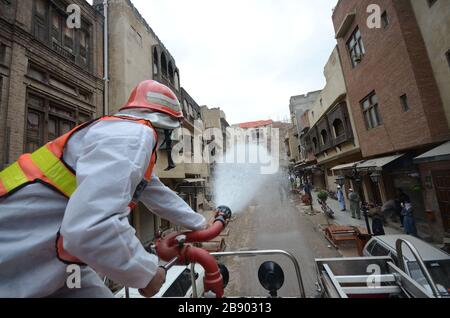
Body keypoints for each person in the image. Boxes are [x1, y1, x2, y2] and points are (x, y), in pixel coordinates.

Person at [0, 80, 207, 298]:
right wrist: (146, 272)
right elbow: (93, 226)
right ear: (165, 127)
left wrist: (201, 223)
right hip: (17, 253)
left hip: (52, 255)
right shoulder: (133, 135)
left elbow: (157, 194)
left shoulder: (120, 133)